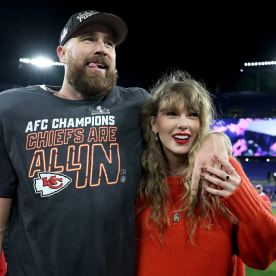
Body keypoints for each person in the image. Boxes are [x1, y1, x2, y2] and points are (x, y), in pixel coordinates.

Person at [0, 10, 230, 276]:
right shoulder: (13, 109)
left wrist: (216, 139)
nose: (102, 48)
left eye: (109, 43)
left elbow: (182, 124)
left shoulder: (136, 105)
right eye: (88, 39)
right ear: (62, 53)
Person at [135, 70, 276, 276]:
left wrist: (244, 199)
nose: (183, 123)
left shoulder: (222, 169)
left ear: (201, 124)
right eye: (171, 113)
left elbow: (262, 258)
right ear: (154, 124)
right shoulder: (137, 176)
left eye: (193, 115)